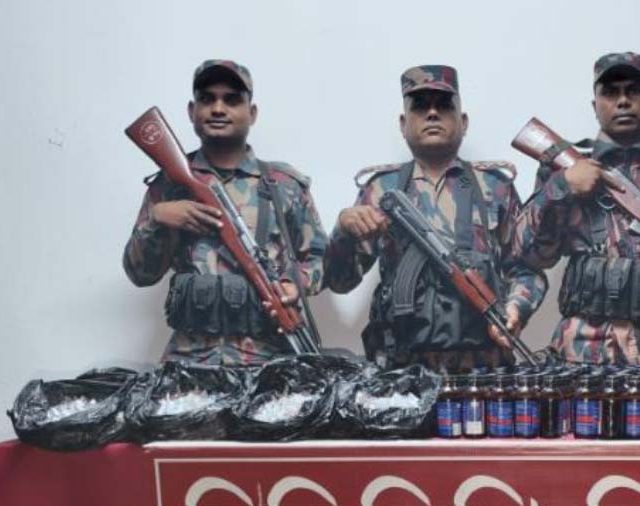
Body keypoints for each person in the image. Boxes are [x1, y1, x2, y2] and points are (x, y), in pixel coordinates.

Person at [323, 65, 547, 371]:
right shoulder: (380, 190)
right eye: (419, 106)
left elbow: (526, 269)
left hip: (483, 369)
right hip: (402, 373)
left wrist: (516, 308)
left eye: (443, 106)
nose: (432, 114)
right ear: (403, 124)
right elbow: (340, 281)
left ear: (463, 122)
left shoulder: (495, 187)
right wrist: (343, 230)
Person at [514, 52, 640, 365]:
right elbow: (530, 255)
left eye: (634, 91)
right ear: (594, 105)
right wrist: (562, 186)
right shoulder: (563, 168)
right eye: (610, 93)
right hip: (584, 351)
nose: (623, 101)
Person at [123, 60, 327, 365]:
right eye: (207, 99)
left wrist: (294, 283)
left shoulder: (283, 184)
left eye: (232, 100)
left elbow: (320, 258)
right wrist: (157, 220)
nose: (218, 109)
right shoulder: (169, 184)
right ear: (191, 111)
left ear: (252, 113)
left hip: (269, 361)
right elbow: (140, 274)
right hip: (190, 361)